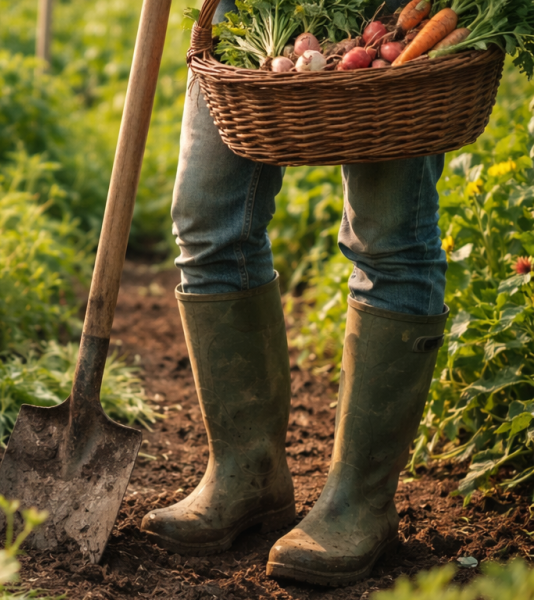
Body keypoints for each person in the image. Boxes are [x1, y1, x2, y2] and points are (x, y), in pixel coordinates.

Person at [139, 0, 450, 587]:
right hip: (246, 8)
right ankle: (245, 474)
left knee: (390, 237)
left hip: (387, 12)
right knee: (207, 222)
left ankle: (360, 504)